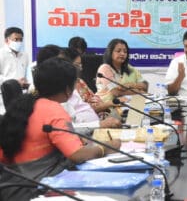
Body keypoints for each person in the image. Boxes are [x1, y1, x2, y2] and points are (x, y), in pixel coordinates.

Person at [0, 57, 121, 200]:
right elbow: (77, 155)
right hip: (34, 190)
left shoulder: (26, 104)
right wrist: (106, 147)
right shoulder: (53, 109)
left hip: (11, 188)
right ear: (67, 88)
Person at [62, 48, 116, 113]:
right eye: (77, 65)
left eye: (80, 64)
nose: (81, 68)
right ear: (66, 65)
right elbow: (81, 112)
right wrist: (108, 104)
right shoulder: (65, 89)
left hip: (102, 114)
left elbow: (94, 97)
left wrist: (103, 105)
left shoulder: (79, 81)